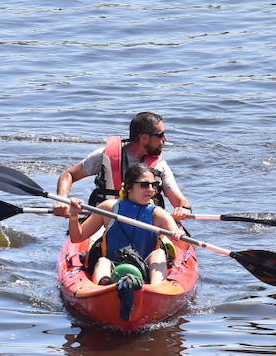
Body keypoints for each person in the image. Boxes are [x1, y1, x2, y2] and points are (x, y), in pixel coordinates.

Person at [54, 112, 192, 219]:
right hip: (104, 220)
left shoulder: (160, 166)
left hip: (145, 223)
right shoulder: (104, 156)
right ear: (144, 138)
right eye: (160, 135)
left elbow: (180, 201)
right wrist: (62, 200)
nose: (165, 139)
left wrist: (183, 209)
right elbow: (69, 175)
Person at [67, 163, 182, 286]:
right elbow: (77, 237)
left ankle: (157, 290)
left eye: (154, 185)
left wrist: (178, 234)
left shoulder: (158, 214)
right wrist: (74, 215)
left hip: (145, 268)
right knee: (102, 261)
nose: (151, 189)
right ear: (128, 187)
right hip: (113, 267)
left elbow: (181, 243)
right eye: (144, 185)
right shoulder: (108, 208)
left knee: (158, 254)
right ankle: (104, 288)